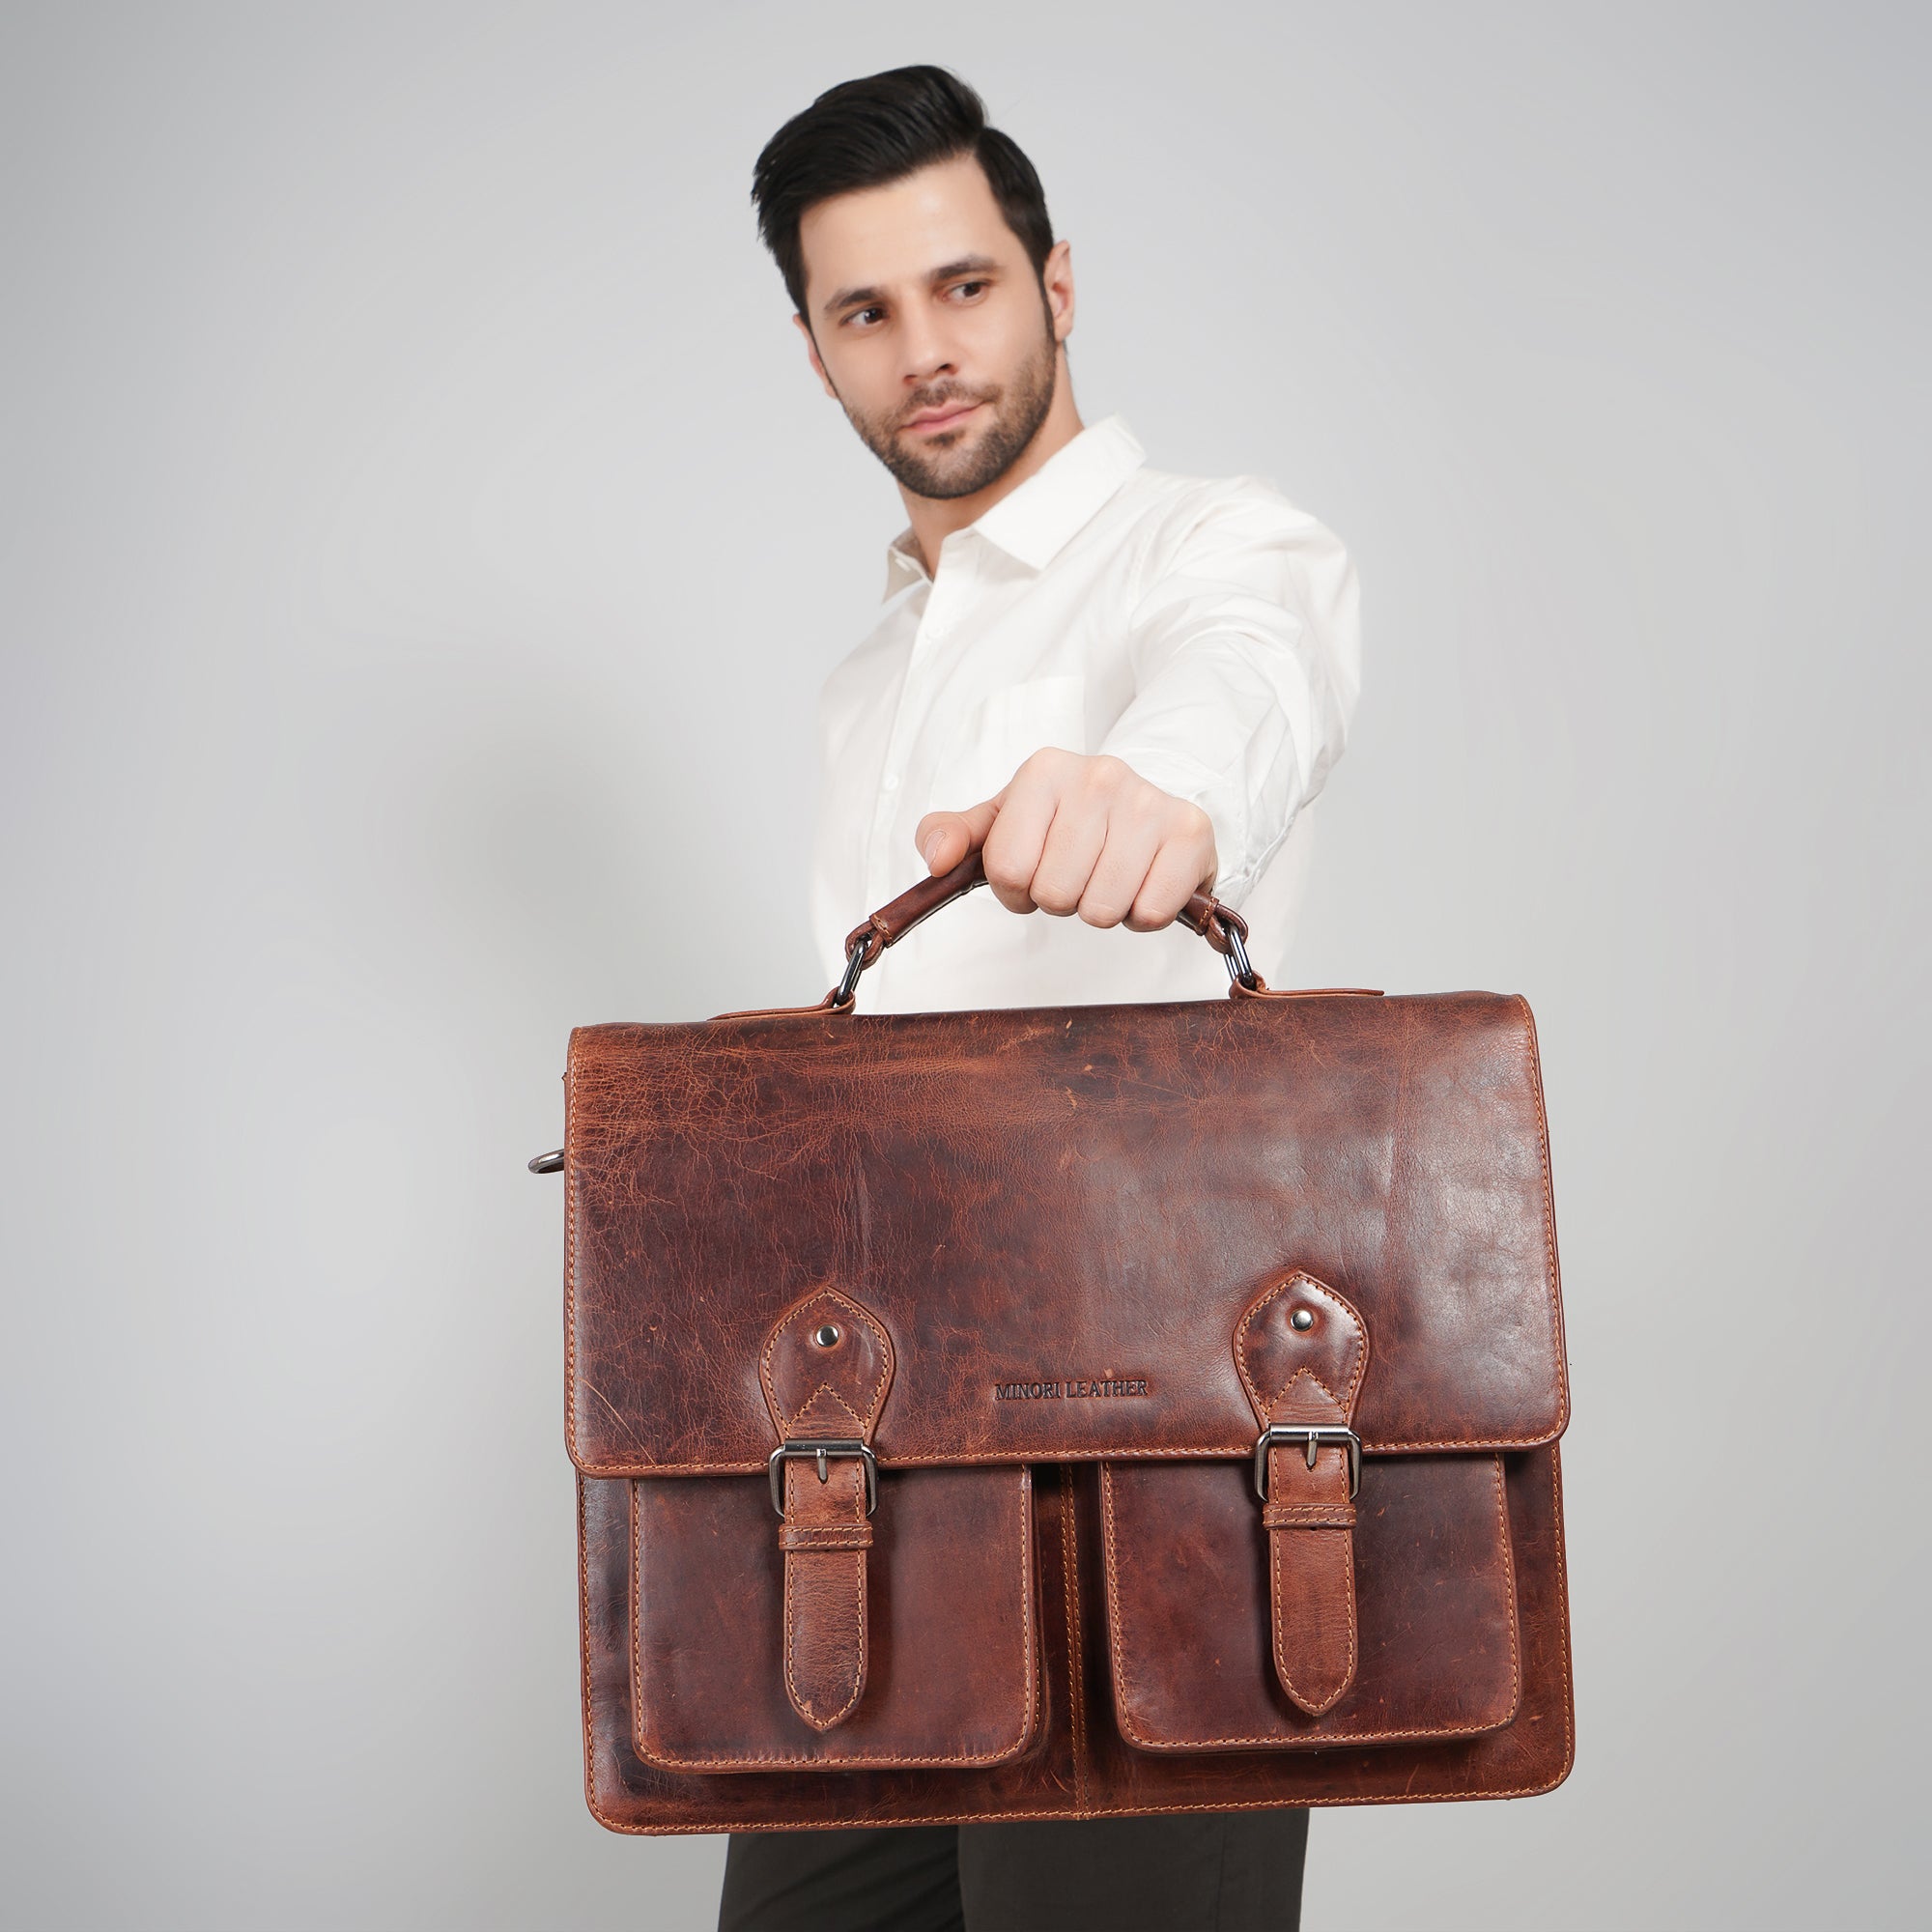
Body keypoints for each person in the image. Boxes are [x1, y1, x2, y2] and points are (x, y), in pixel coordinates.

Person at [718, 65, 1361, 1932]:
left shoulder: (1220, 546)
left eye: (966, 286)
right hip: (878, 1469)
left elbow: (1245, 681)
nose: (926, 349)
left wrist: (1156, 798)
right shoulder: (867, 681)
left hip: (1157, 1461)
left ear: (1056, 284)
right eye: (866, 311)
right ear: (816, 354)